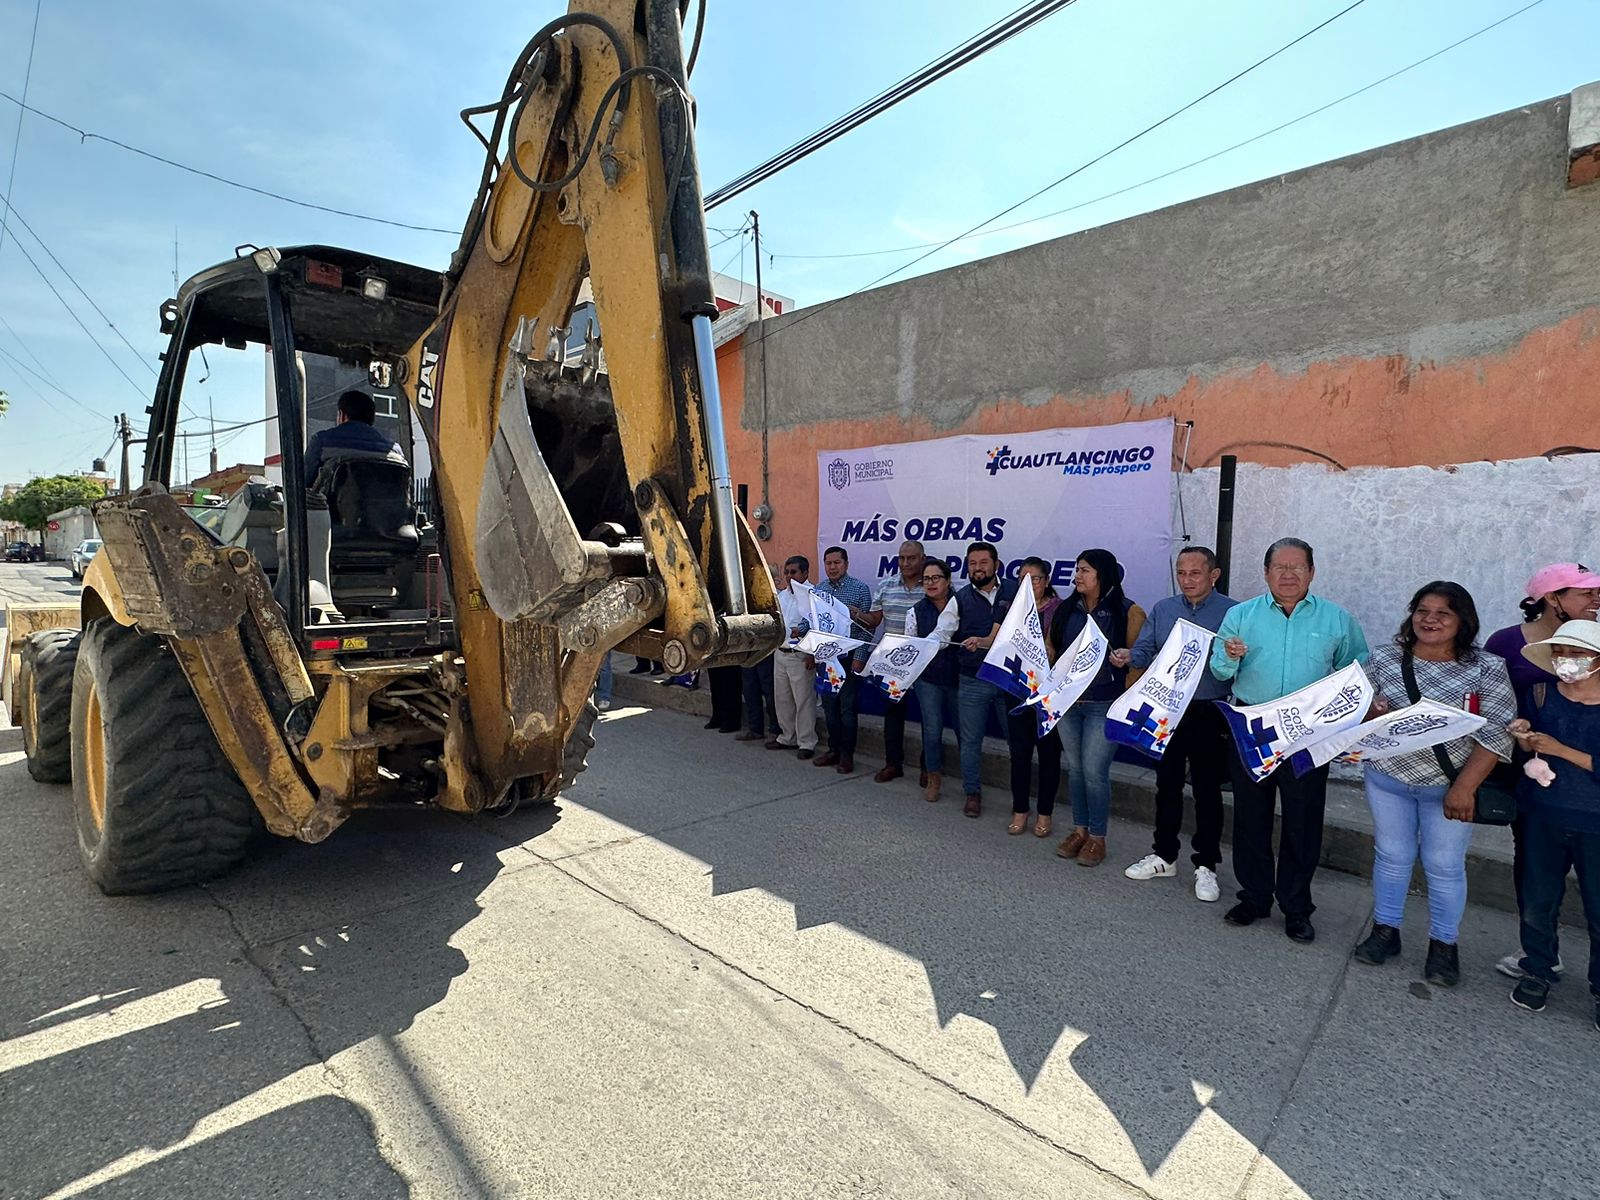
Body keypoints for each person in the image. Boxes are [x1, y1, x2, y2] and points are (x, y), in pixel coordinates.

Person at [1351, 583, 1515, 986]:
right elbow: (1357, 714)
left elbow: (1496, 733)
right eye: (1423, 610)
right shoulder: (1386, 659)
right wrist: (1368, 714)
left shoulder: (1486, 668)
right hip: (1388, 779)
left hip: (1451, 787)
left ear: (1463, 621)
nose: (1430, 619)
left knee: (1444, 866)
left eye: (1444, 613)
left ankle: (1444, 945)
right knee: (1391, 856)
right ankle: (1385, 932)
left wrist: (1465, 788)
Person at [1209, 537, 1369, 942]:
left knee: (1303, 822)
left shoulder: (1337, 619)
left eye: (1297, 567)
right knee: (1250, 818)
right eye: (1279, 567)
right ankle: (1254, 897)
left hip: (1309, 737)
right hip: (1254, 732)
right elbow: (1220, 670)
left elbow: (1357, 672)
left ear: (1312, 573)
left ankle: (1296, 907)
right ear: (1265, 573)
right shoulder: (1241, 616)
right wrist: (1230, 654)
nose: (1288, 574)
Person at [1484, 562, 1600, 979]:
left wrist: (1561, 749)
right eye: (1585, 593)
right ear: (1553, 598)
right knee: (1535, 874)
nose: (1596, 600)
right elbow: (1483, 697)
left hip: (1587, 796)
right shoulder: (1505, 644)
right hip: (1527, 778)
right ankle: (1537, 956)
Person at [1121, 546, 1237, 901]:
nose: (1187, 580)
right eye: (1182, 573)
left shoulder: (1233, 612)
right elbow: (1144, 650)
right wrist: (1128, 656)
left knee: (1206, 790)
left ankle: (1206, 866)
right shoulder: (1164, 609)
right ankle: (1164, 855)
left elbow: (1240, 660)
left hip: (1208, 709)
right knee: (1166, 784)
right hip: (1166, 708)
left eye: (1195, 573)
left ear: (1213, 575)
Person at [1504, 618, 1600, 1029]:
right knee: (1538, 898)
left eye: (1577, 654)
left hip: (1595, 822)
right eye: (1560, 653)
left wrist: (1561, 750)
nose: (1567, 662)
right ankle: (1538, 968)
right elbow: (1525, 741)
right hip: (1543, 814)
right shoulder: (1539, 693)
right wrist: (1523, 733)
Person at [1048, 549, 1146, 866]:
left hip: (1103, 705)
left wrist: (1125, 659)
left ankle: (1097, 839)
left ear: (1102, 575)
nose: (1077, 576)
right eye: (1077, 569)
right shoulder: (1066, 610)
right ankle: (1079, 831)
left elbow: (1140, 660)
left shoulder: (1128, 612)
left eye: (1085, 570)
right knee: (1075, 770)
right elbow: (1052, 648)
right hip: (1068, 704)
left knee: (1094, 772)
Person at [930, 542, 1018, 818]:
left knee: (1017, 742)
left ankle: (1021, 800)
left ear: (996, 565)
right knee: (970, 741)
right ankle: (972, 793)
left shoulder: (1016, 591)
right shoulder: (960, 598)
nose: (977, 568)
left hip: (1010, 681)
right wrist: (921, 648)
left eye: (983, 562)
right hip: (972, 680)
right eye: (972, 563)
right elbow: (941, 633)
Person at [803, 546, 874, 774]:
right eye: (828, 563)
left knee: (847, 708)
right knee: (830, 707)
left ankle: (846, 755)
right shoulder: (819, 590)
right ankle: (833, 750)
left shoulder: (860, 589)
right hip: (826, 658)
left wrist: (860, 658)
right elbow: (812, 622)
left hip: (849, 658)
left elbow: (867, 629)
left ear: (846, 564)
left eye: (837, 563)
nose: (832, 567)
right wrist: (802, 635)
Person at [862, 540, 927, 784]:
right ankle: (893, 764)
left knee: (928, 719)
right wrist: (854, 613)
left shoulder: (932, 586)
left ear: (922, 558)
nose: (906, 563)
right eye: (901, 558)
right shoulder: (887, 586)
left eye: (911, 558)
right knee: (892, 716)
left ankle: (927, 769)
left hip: (923, 665)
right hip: (893, 667)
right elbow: (874, 620)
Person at [1008, 559, 1064, 837]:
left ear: (1047, 580)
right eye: (1022, 579)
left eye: (1036, 579)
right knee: (1018, 753)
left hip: (1048, 697)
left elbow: (1063, 653)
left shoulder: (1061, 610)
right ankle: (1020, 809)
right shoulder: (1011, 609)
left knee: (1049, 756)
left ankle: (1045, 813)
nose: (1029, 585)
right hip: (1017, 692)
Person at [907, 559, 961, 803]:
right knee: (932, 730)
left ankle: (972, 785)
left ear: (948, 580)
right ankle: (933, 777)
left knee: (966, 733)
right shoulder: (915, 611)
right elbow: (911, 646)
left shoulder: (965, 604)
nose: (930, 583)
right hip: (928, 680)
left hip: (962, 680)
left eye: (935, 578)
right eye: (926, 579)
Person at [769, 555, 819, 760]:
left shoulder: (812, 595)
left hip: (800, 656)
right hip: (780, 653)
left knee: (804, 701)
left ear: (805, 573)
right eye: (787, 572)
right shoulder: (782, 596)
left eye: (794, 572)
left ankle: (806, 742)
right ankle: (786, 736)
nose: (789, 576)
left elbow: (817, 626)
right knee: (782, 698)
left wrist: (811, 654)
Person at [304, 389, 406, 482]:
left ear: (342, 415)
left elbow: (303, 483)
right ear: (372, 419)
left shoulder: (322, 442)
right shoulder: (396, 451)